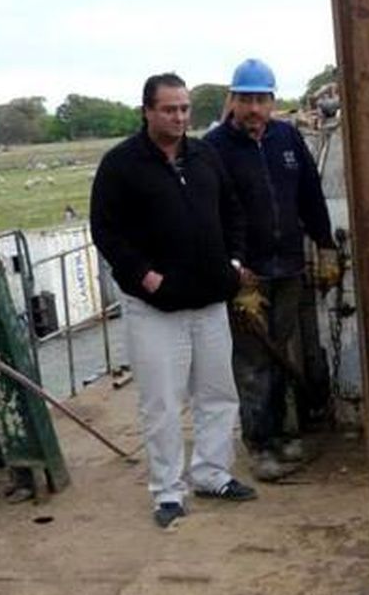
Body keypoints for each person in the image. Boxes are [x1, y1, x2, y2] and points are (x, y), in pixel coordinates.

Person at [90, 72, 257, 528]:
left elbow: (233, 211)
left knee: (218, 394)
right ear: (147, 111)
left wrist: (236, 261)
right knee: (161, 402)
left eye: (184, 108)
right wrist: (145, 277)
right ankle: (167, 491)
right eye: (169, 109)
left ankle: (213, 473)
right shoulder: (120, 165)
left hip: (209, 302)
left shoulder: (205, 156)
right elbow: (106, 231)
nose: (180, 117)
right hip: (155, 310)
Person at [205, 58, 339, 481]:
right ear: (233, 100)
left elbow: (310, 195)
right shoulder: (214, 148)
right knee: (252, 362)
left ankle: (282, 434)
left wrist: (326, 245)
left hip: (289, 267)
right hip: (248, 275)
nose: (254, 109)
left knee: (282, 354)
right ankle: (260, 444)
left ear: (272, 101)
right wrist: (234, 271)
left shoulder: (287, 137)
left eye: (261, 99)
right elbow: (211, 215)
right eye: (245, 99)